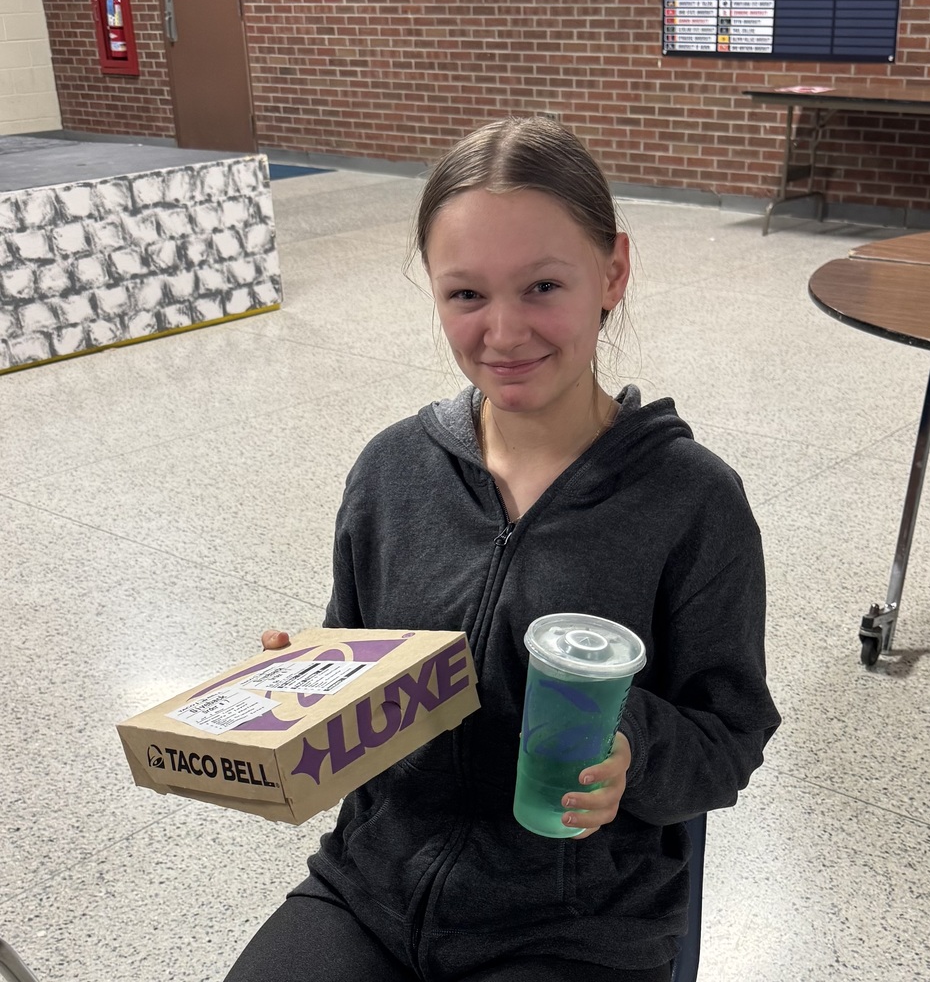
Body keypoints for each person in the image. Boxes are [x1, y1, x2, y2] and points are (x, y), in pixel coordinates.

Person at [224, 116, 780, 982]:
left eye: (543, 286)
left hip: (572, 923)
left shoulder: (690, 502)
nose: (504, 333)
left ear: (613, 271)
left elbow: (730, 735)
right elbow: (360, 657)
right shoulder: (392, 471)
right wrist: (301, 692)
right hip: (373, 886)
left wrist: (631, 744)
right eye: (466, 295)